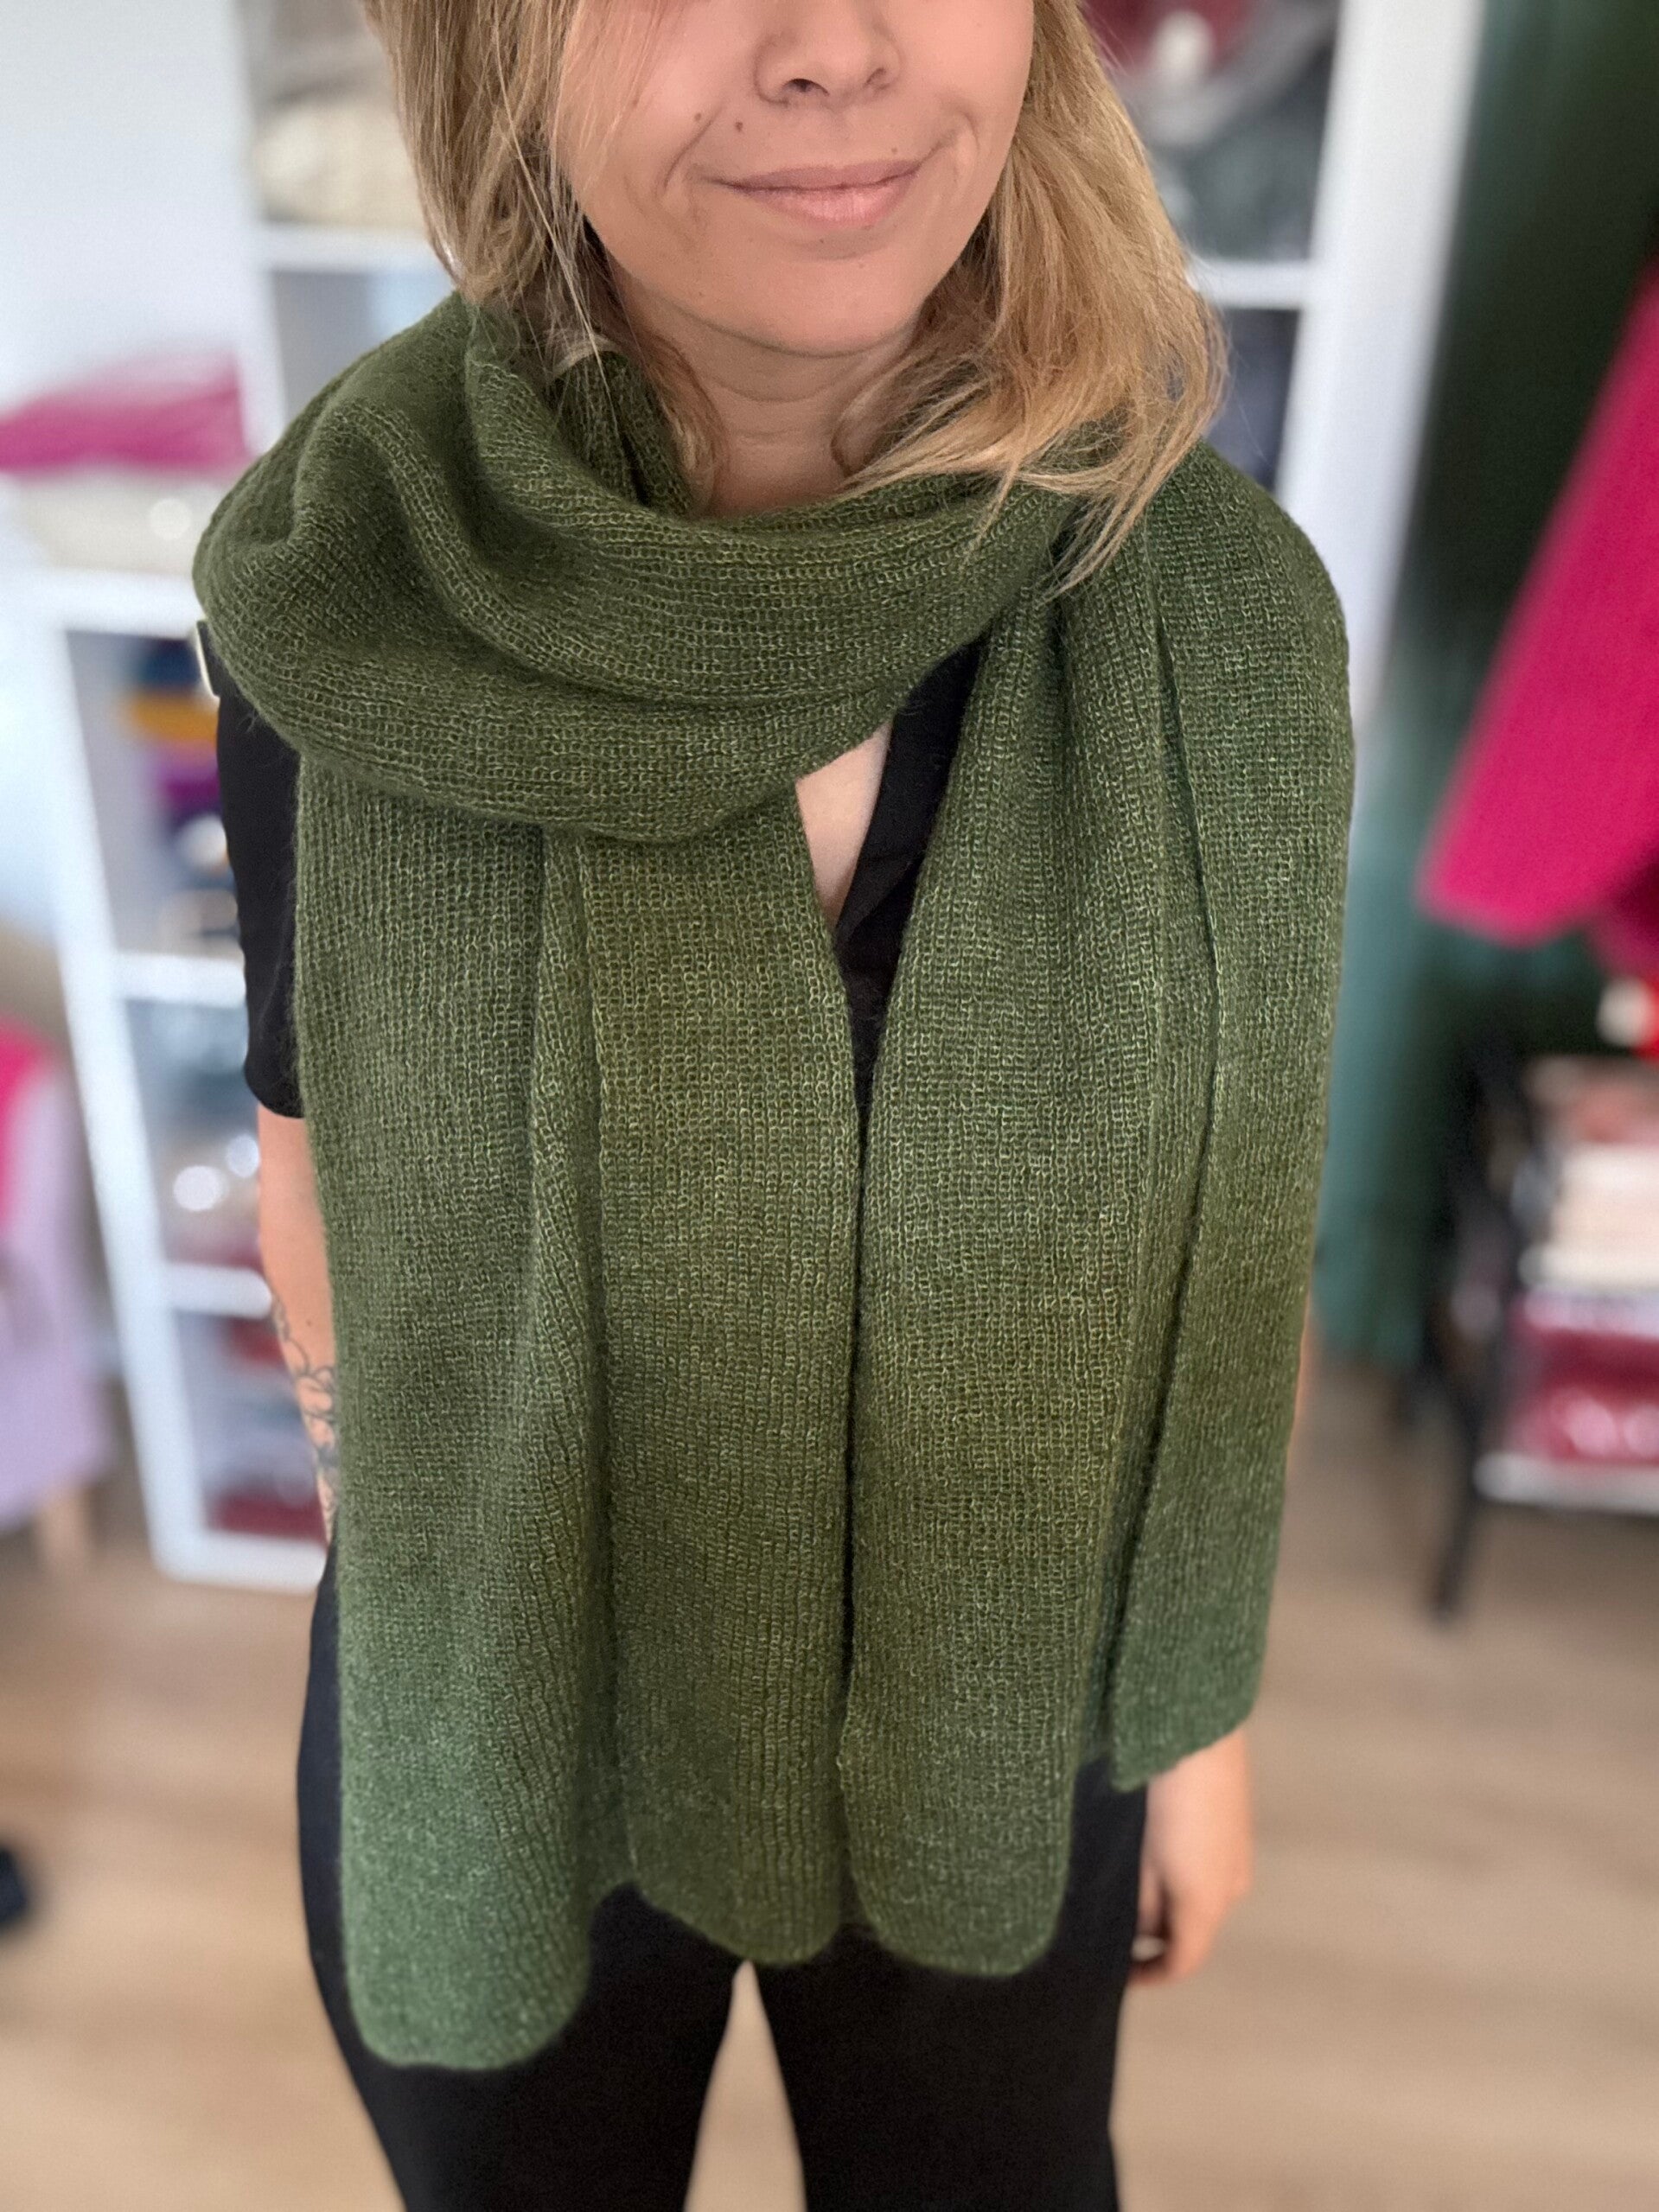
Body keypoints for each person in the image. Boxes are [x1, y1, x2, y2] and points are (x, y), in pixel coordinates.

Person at [198, 0, 1353, 2204]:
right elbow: (315, 1201)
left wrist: (1192, 1725)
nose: (833, 46)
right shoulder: (347, 592)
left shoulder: (1223, 632)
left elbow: (1224, 1253)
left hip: (1009, 1708)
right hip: (506, 1693)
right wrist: (451, 1669)